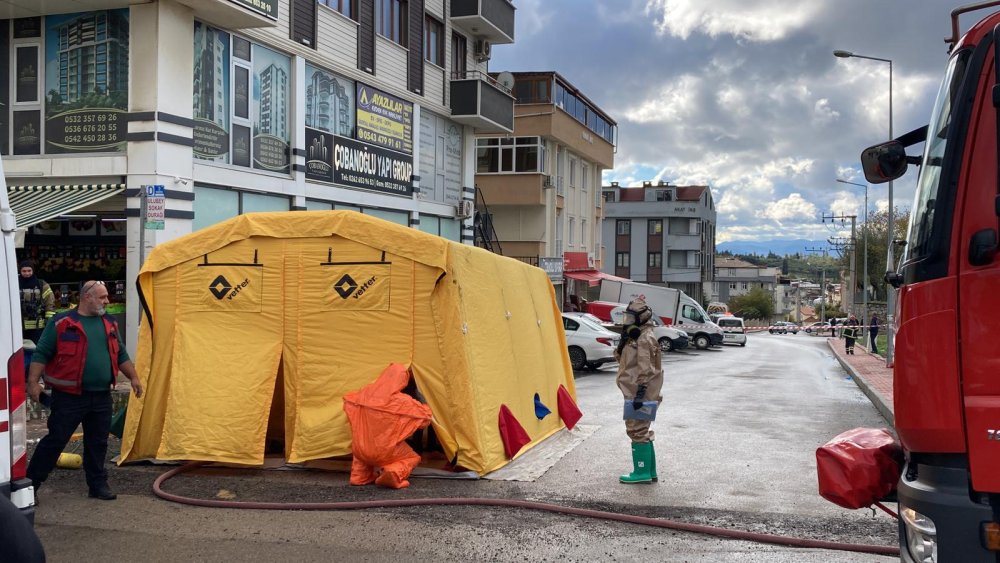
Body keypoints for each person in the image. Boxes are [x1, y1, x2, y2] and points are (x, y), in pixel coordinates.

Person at [26, 280, 143, 501]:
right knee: (56, 440)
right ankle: (30, 486)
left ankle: (97, 486)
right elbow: (41, 353)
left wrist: (134, 377)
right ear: (87, 297)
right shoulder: (62, 322)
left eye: (107, 296)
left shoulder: (109, 323)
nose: (107, 301)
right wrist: (33, 383)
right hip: (69, 397)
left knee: (98, 442)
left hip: (101, 396)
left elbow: (121, 354)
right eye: (102, 297)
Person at [614, 298, 663, 484]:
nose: (627, 321)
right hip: (639, 391)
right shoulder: (640, 336)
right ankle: (650, 471)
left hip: (639, 392)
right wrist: (623, 342)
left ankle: (641, 472)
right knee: (643, 429)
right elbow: (625, 361)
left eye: (630, 317)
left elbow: (645, 369)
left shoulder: (643, 339)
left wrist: (640, 394)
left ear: (640, 319)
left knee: (636, 429)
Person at [18, 260, 55, 345]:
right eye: (24, 271)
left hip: (38, 327)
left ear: (33, 271)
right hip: (19, 327)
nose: (27, 273)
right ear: (20, 271)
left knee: (37, 351)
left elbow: (50, 302)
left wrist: (49, 321)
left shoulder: (41, 284)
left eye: (29, 271)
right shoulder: (14, 284)